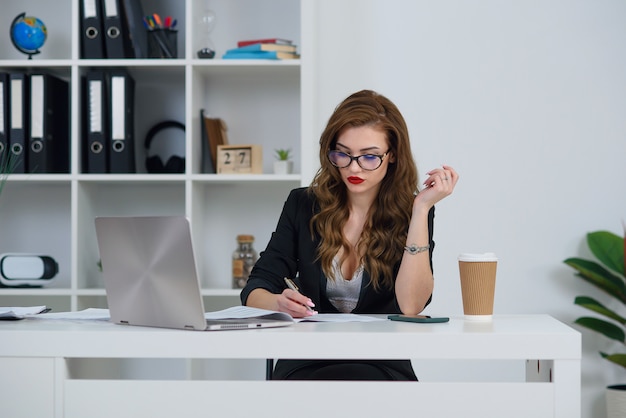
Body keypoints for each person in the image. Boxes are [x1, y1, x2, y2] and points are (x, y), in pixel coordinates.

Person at [240, 89, 459, 380]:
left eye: (369, 157)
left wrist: (420, 210)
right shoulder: (303, 204)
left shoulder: (415, 212)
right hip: (307, 360)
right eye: (342, 154)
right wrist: (277, 304)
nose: (353, 167)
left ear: (392, 155)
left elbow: (412, 305)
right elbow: (255, 288)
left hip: (381, 362)